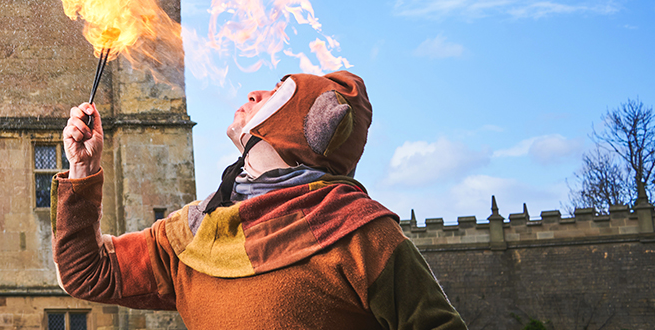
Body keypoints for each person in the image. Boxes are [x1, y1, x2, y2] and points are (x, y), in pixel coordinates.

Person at [55, 71, 466, 329]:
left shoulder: (360, 233)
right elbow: (87, 272)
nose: (253, 93)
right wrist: (83, 171)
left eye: (276, 92)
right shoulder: (194, 233)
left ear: (316, 124)